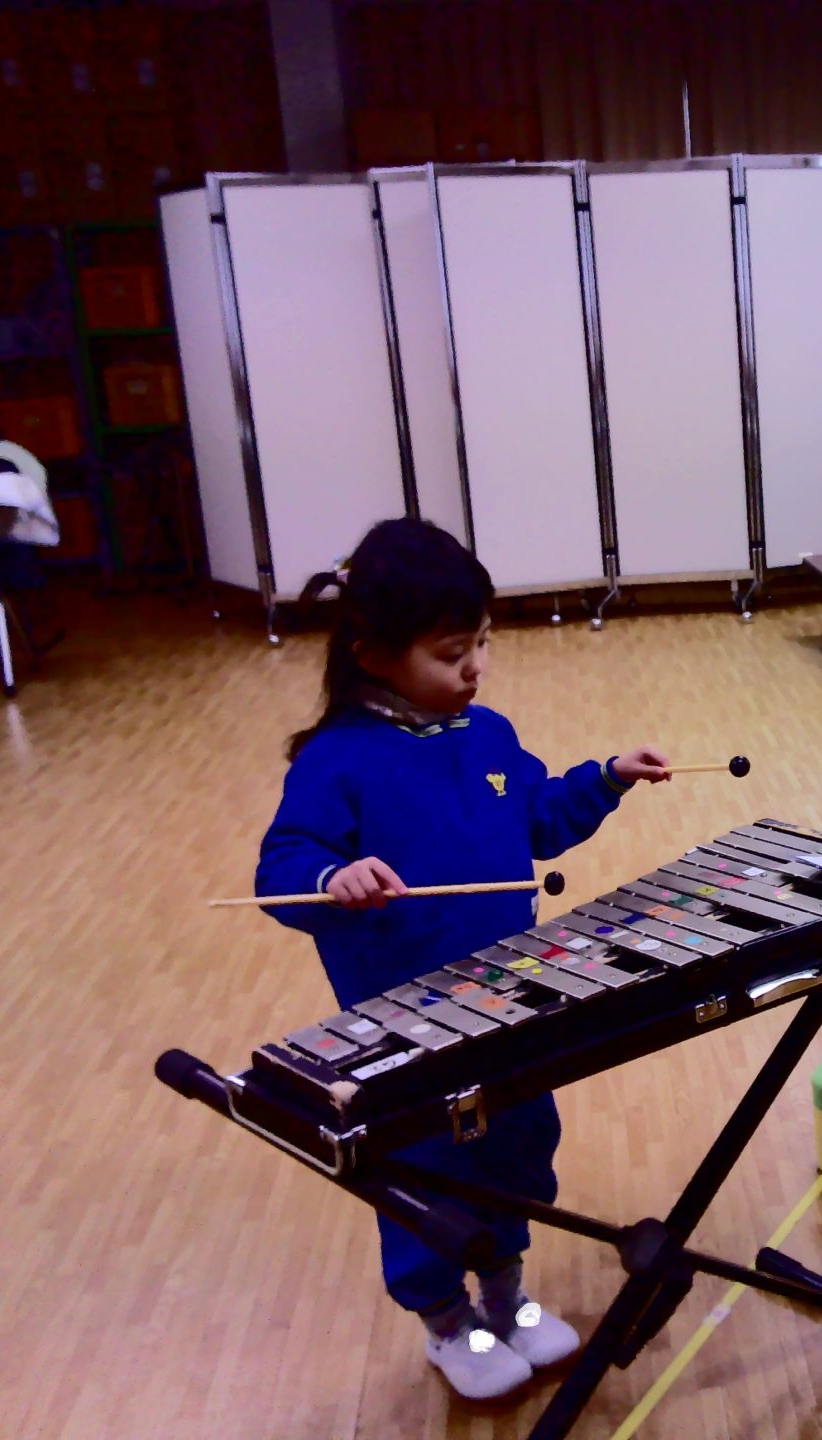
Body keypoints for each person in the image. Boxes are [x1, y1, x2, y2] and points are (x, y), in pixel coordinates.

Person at [255, 518, 670, 1401]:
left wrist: (604, 778)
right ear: (374, 656)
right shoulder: (336, 761)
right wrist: (331, 878)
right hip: (404, 1027)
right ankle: (448, 1323)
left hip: (508, 1005)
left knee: (520, 1149)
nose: (476, 667)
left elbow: (538, 819)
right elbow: (280, 870)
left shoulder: (488, 735)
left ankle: (509, 1299)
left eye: (482, 643)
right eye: (452, 653)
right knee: (427, 1171)